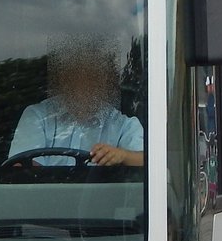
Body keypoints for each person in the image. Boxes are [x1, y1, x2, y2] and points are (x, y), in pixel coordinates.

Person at [8, 37, 143, 167]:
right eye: (75, 72)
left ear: (105, 81)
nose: (84, 82)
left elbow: (151, 164)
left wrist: (123, 156)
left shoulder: (123, 125)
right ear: (62, 77)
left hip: (103, 192)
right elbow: (21, 168)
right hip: (42, 191)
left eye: (93, 74)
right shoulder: (37, 116)